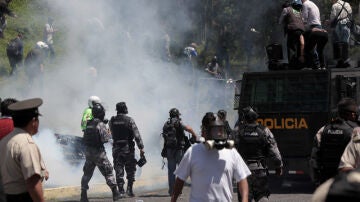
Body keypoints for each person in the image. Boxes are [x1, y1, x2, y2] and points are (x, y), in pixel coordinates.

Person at [171, 112, 251, 202]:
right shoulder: (193, 152)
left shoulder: (231, 152)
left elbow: (242, 179)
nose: (219, 134)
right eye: (215, 131)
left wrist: (245, 199)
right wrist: (173, 199)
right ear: (204, 132)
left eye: (221, 130)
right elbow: (180, 179)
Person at [0, 98, 49, 202]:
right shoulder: (26, 143)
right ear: (33, 121)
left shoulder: (6, 141)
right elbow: (32, 182)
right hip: (24, 197)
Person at [235, 106, 283, 202]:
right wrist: (278, 166)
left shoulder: (237, 131)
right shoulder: (264, 130)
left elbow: (229, 149)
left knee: (245, 198)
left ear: (244, 117)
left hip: (243, 173)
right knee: (262, 197)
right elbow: (274, 150)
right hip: (260, 172)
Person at [310, 98, 358, 185]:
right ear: (352, 114)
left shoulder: (323, 129)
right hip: (347, 181)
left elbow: (314, 158)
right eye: (355, 113)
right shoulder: (355, 131)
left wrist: (317, 181)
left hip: (327, 181)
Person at [80, 103, 120, 202]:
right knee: (108, 171)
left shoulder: (88, 123)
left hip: (89, 152)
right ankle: (115, 193)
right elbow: (105, 139)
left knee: (87, 174)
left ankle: (83, 195)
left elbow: (85, 137)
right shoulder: (100, 124)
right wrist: (106, 130)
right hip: (98, 153)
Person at [109, 102, 145, 197]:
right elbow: (136, 135)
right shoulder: (129, 120)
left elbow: (111, 133)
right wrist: (141, 147)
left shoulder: (112, 121)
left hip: (116, 149)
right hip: (128, 149)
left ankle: (121, 191)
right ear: (125, 109)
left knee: (118, 169)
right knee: (131, 169)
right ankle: (129, 190)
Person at [161, 107, 197, 196]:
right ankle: (178, 190)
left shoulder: (166, 124)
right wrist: (194, 135)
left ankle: (172, 191)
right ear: (177, 115)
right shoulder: (179, 122)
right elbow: (189, 128)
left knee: (171, 171)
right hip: (179, 150)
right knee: (180, 172)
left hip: (169, 150)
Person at [301, 0, 329, 69]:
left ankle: (315, 65)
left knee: (310, 47)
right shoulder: (313, 4)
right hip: (319, 27)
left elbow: (304, 19)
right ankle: (322, 66)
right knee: (320, 49)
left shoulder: (305, 4)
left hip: (313, 27)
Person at [279, 0, 306, 69]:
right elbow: (302, 20)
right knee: (299, 46)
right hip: (301, 30)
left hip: (293, 29)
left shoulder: (286, 9)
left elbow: (280, 21)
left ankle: (292, 65)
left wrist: (284, 25)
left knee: (290, 46)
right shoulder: (297, 11)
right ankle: (299, 65)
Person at [329, 0, 352, 68]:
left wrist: (329, 22)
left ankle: (339, 62)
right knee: (345, 43)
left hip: (338, 25)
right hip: (347, 24)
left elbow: (332, 17)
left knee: (336, 43)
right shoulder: (347, 4)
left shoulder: (335, 5)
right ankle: (346, 61)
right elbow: (350, 13)